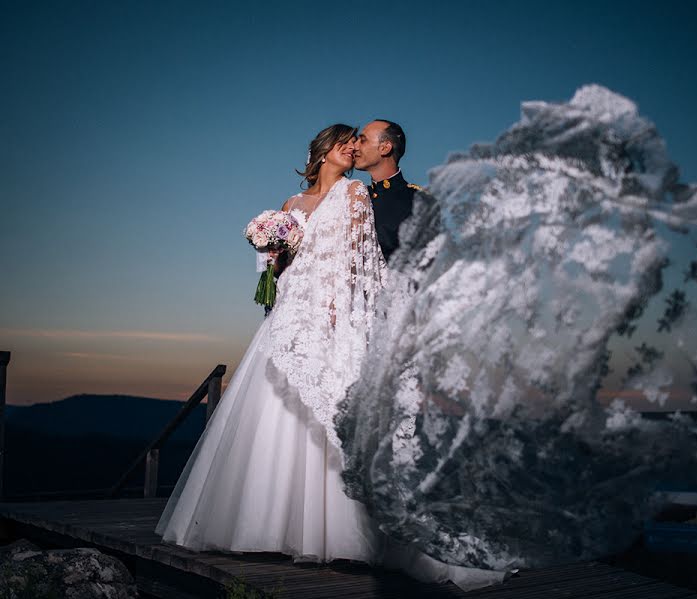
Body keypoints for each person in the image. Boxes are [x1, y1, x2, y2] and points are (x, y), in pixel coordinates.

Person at [154, 123, 510, 590]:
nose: (351, 149)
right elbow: (277, 269)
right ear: (322, 152)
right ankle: (263, 526)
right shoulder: (290, 206)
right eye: (344, 144)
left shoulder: (357, 196)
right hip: (286, 318)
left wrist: (337, 316)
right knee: (272, 417)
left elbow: (359, 264)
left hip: (331, 318)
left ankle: (340, 533)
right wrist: (271, 251)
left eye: (356, 144)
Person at [352, 119, 421, 262]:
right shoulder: (356, 196)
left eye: (362, 141)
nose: (354, 146)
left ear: (385, 148)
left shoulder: (418, 201)